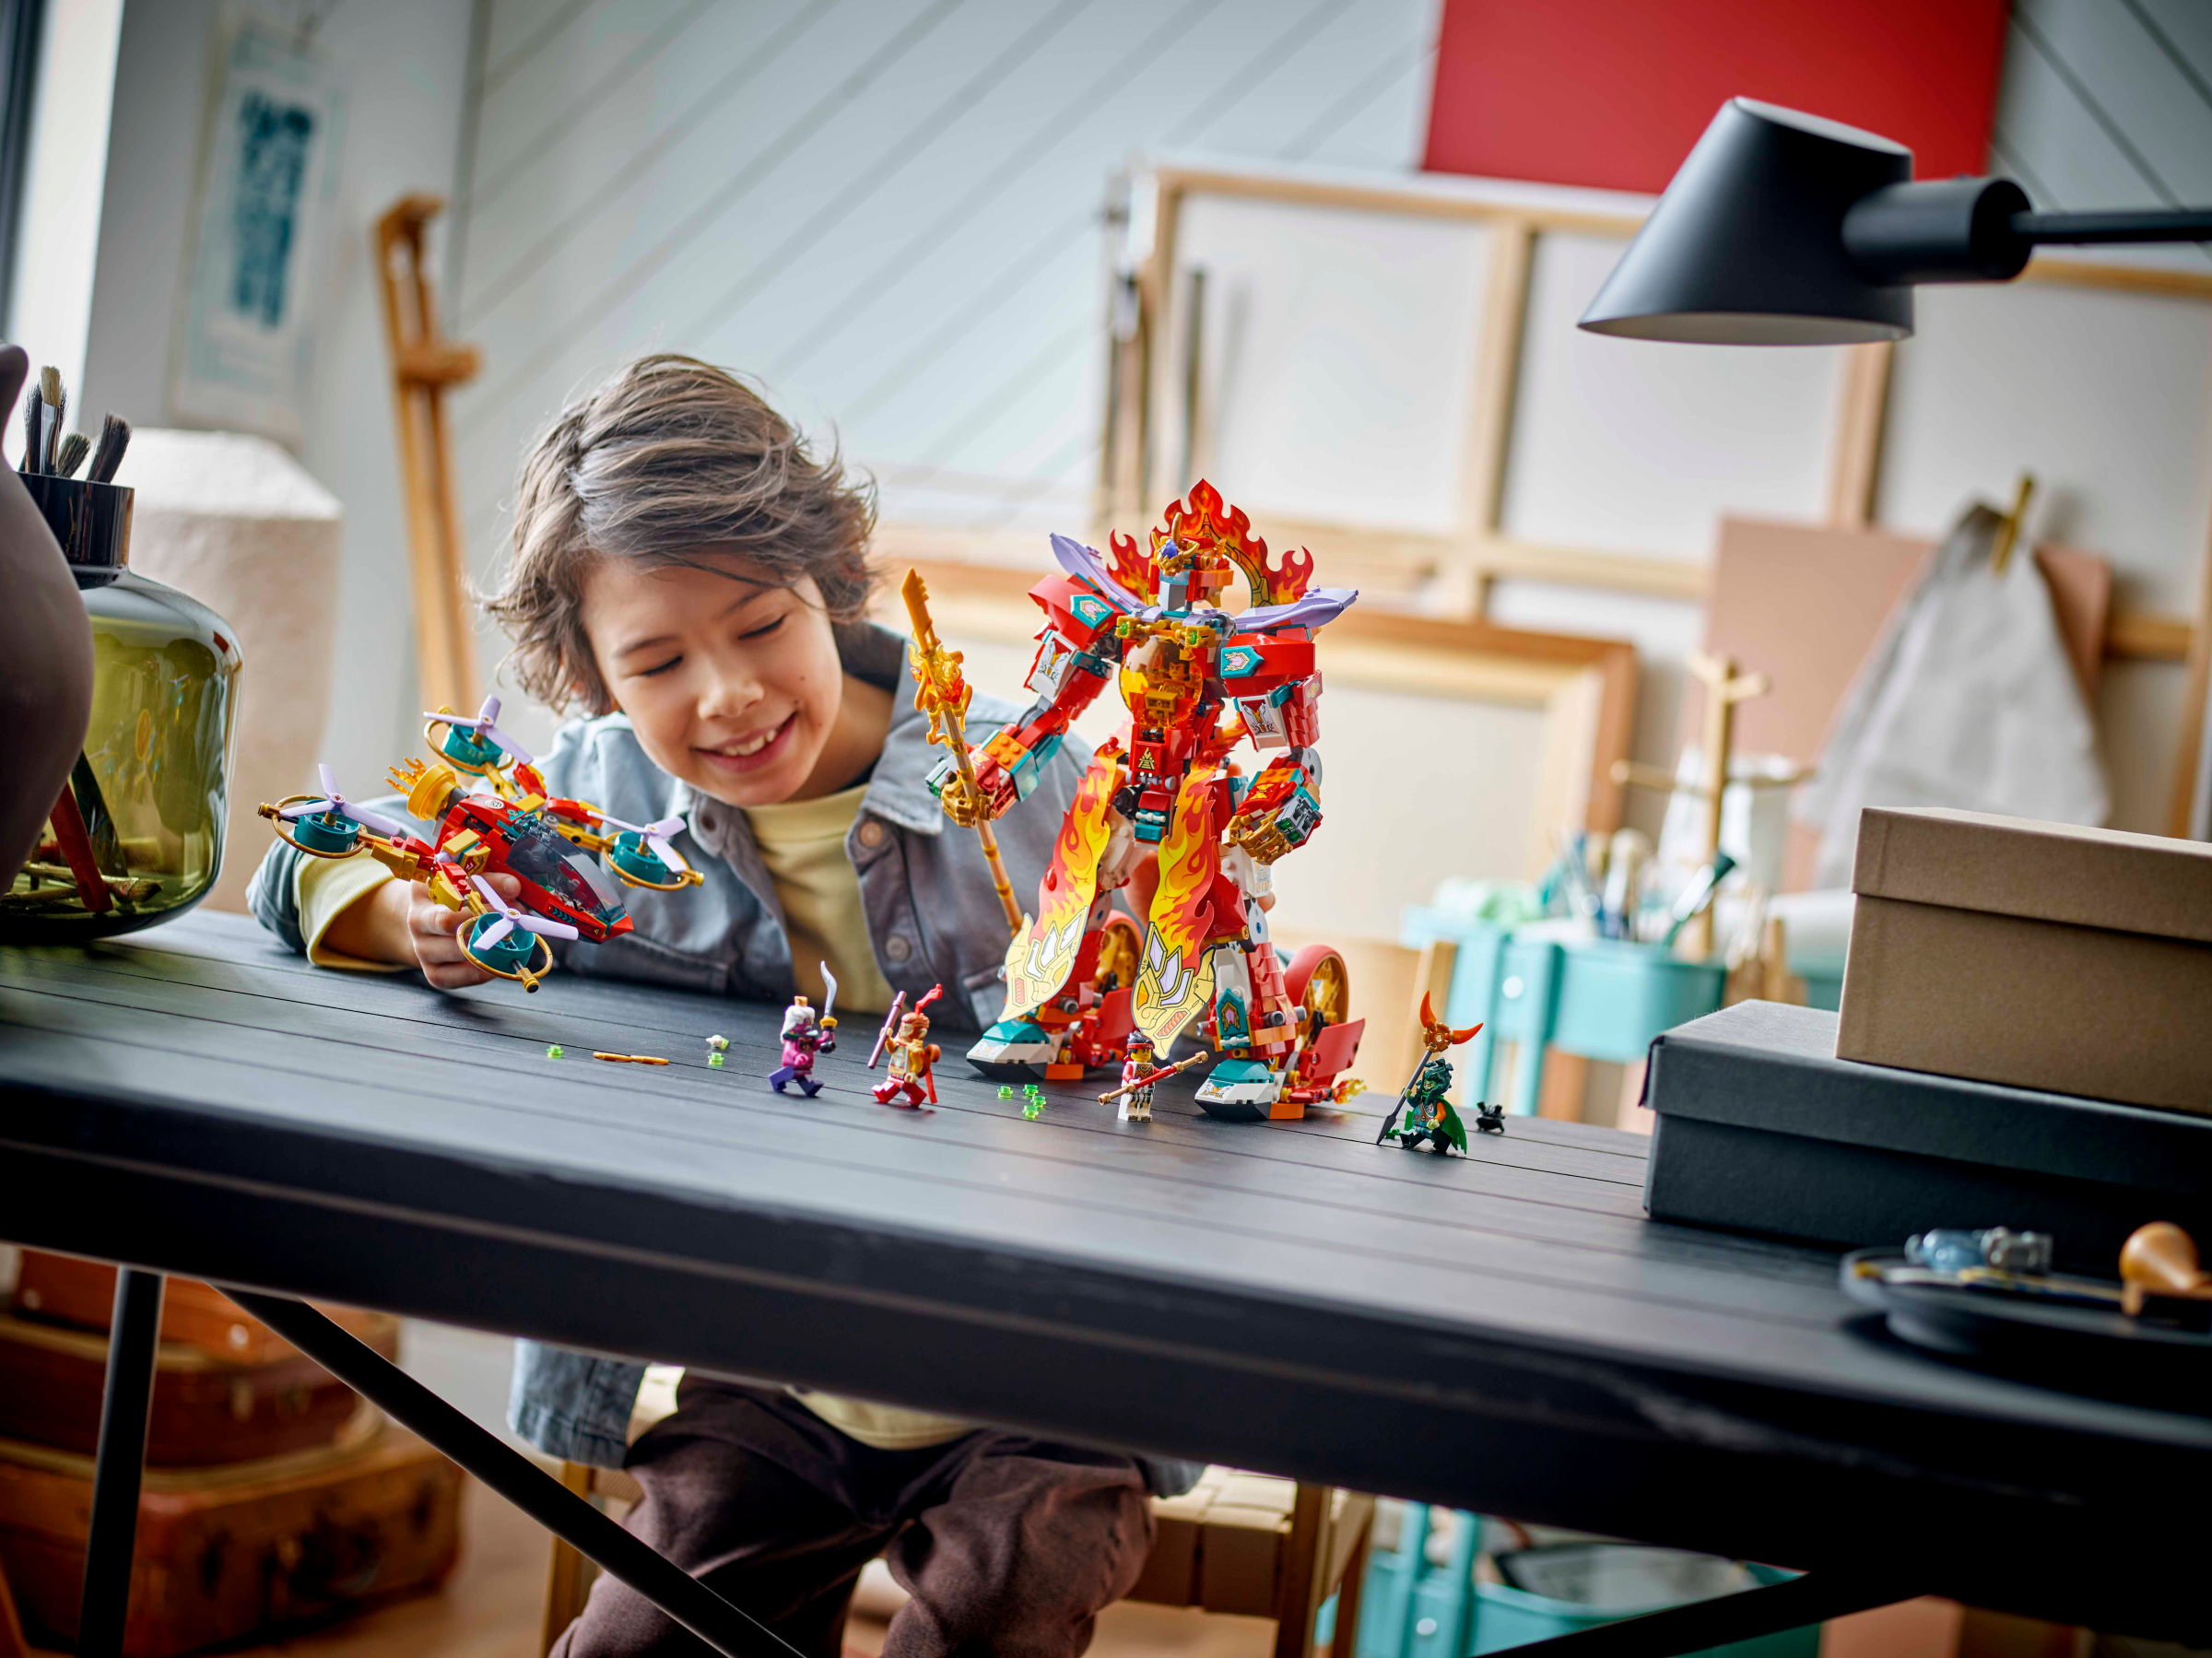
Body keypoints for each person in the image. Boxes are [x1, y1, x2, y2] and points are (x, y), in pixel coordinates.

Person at [246, 356, 1194, 1657]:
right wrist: (405, 912)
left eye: (761, 627)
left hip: (1041, 1382)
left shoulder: (1021, 780)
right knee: (637, 1645)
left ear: (829, 581)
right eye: (657, 661)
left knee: (993, 1609)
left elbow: (1184, 1028)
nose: (729, 694)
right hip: (774, 1385)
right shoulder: (589, 803)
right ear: (591, 679)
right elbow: (300, 858)